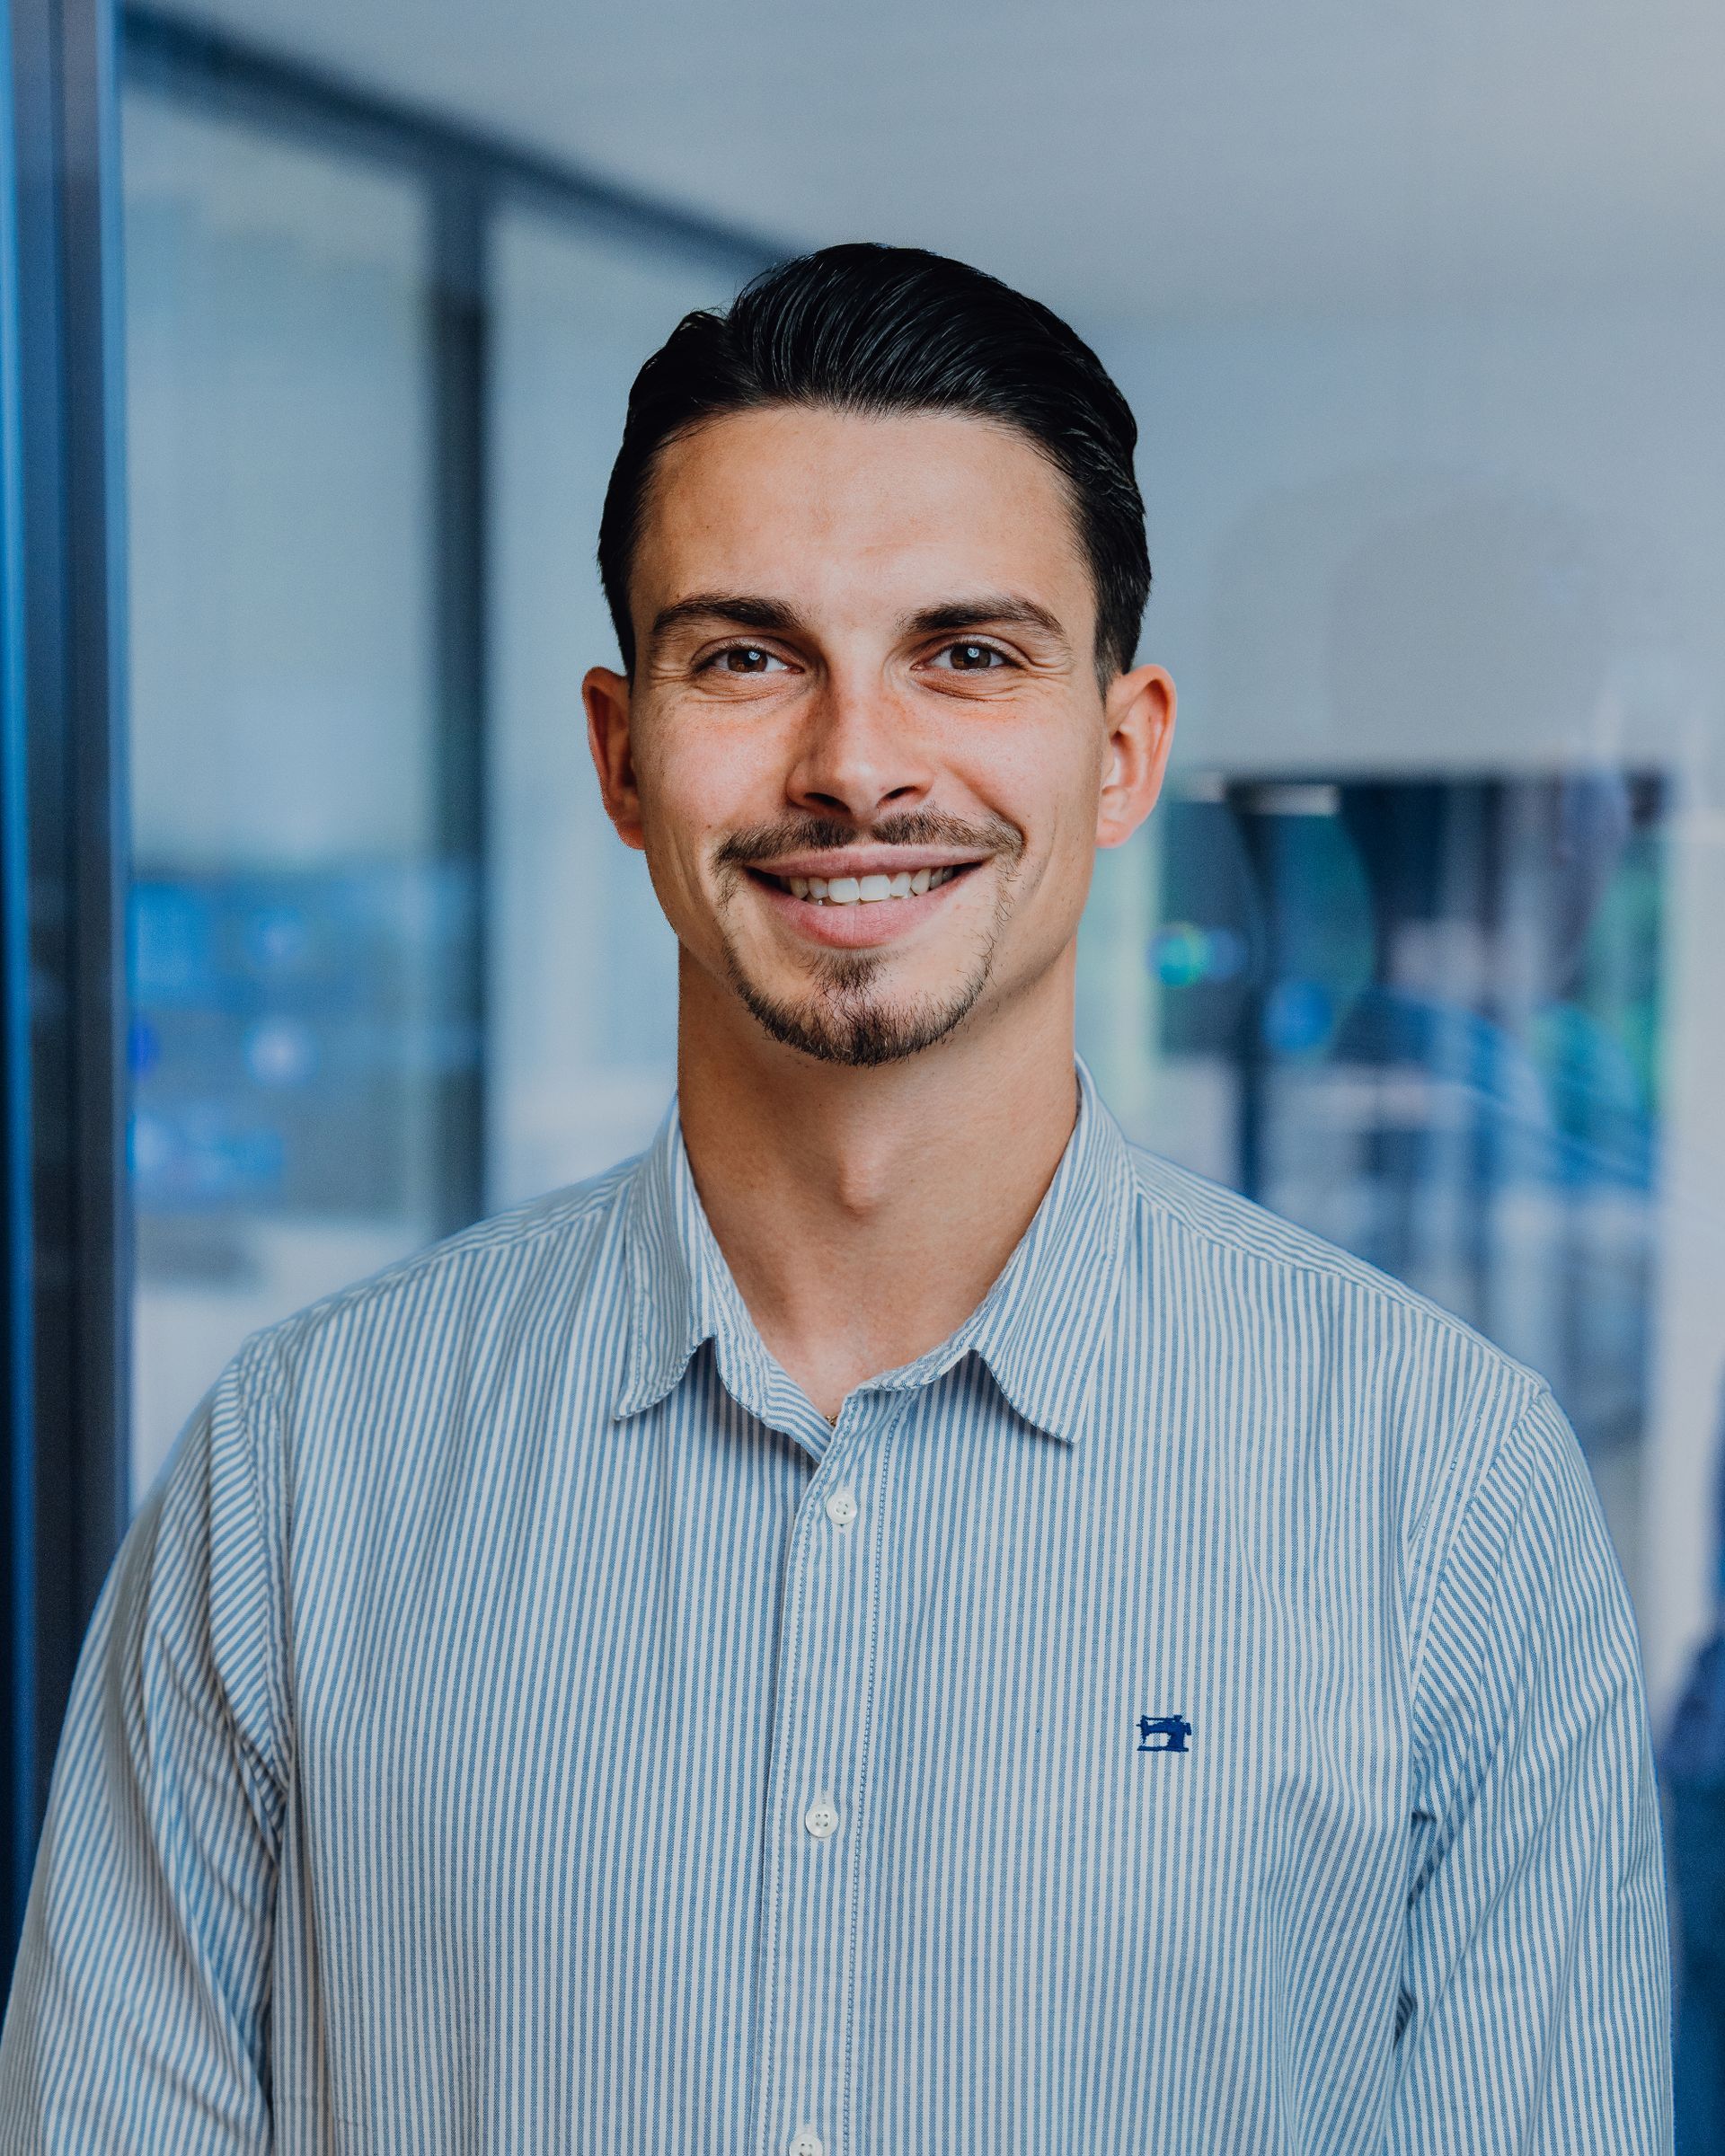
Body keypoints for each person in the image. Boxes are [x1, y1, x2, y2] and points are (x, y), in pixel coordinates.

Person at [0, 243, 1671, 2152]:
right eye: (744, 655)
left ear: (1118, 751)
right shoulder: (301, 1476)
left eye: (967, 652)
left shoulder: (1441, 1490)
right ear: (623, 757)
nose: (857, 764)